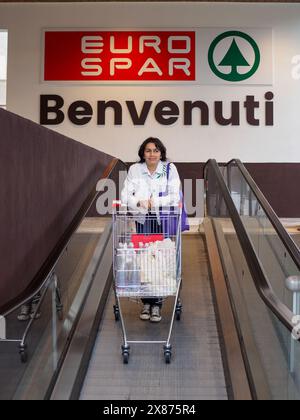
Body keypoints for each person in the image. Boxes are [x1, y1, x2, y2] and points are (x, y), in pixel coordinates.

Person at [121, 137, 181, 323]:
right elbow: (125, 194)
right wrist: (138, 201)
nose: (152, 154)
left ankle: (157, 304)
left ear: (161, 153)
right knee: (144, 259)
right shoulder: (135, 170)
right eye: (148, 150)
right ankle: (146, 301)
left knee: (160, 260)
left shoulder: (169, 169)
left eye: (156, 150)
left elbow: (174, 194)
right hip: (142, 219)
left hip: (162, 219)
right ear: (142, 153)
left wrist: (154, 202)